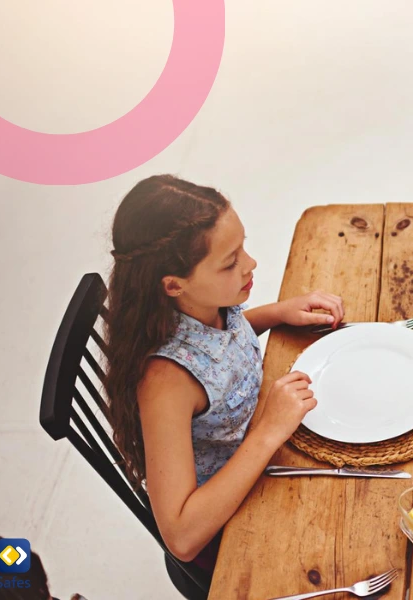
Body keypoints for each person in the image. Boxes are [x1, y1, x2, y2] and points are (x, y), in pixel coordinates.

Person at [102, 175, 344, 575]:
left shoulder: (207, 304)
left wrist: (275, 313)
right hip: (229, 529)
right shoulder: (164, 382)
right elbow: (181, 538)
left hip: (264, 459)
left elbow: (217, 351)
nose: (250, 264)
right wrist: (267, 431)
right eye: (230, 262)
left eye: (242, 248)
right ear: (175, 285)